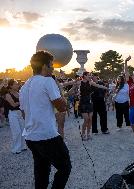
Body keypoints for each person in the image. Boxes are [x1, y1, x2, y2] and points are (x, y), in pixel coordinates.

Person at [19, 51, 72, 188]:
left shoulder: (24, 87)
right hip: (47, 136)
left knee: (41, 171)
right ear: (44, 66)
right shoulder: (47, 81)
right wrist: (62, 94)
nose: (53, 68)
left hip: (30, 136)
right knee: (65, 167)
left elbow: (24, 113)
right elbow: (62, 107)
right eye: (51, 65)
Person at [79, 72, 108, 140]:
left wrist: (106, 88)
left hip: (89, 102)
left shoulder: (91, 83)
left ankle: (88, 134)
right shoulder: (80, 82)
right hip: (83, 102)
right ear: (84, 76)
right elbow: (70, 83)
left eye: (91, 75)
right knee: (86, 119)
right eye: (89, 75)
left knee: (90, 119)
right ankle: (83, 134)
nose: (90, 76)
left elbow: (99, 86)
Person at [5, 79, 26, 154]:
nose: (17, 85)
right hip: (13, 114)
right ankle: (16, 149)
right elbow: (13, 104)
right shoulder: (8, 95)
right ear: (11, 86)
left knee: (23, 130)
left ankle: (23, 146)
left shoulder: (19, 93)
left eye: (17, 84)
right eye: (15, 84)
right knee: (16, 131)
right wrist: (21, 101)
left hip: (20, 113)